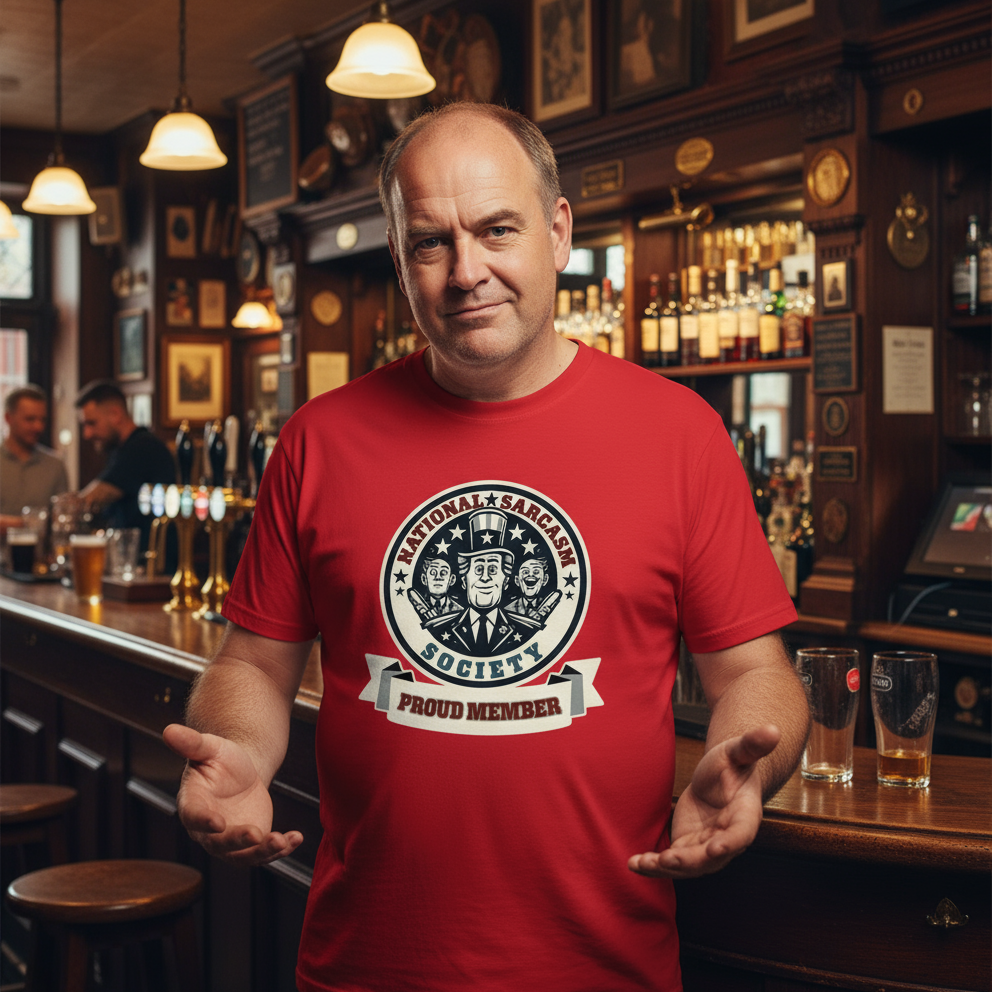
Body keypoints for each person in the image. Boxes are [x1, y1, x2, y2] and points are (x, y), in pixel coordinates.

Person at [164, 103, 809, 992]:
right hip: (365, 966)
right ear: (400, 262)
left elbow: (757, 675)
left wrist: (747, 765)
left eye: (498, 229)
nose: (467, 273)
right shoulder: (319, 439)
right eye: (431, 243)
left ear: (558, 232)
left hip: (602, 969)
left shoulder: (680, 434)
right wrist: (238, 744)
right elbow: (253, 666)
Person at [75, 381, 175, 551]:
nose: (87, 434)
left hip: (151, 560)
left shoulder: (142, 447)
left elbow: (90, 499)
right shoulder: (120, 449)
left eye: (91, 423)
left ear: (115, 414)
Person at [1, 384, 68, 532]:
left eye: (42, 420)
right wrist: (28, 523)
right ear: (8, 418)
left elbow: (62, 518)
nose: (38, 427)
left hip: (41, 547)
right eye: (30, 419)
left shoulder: (55, 465)